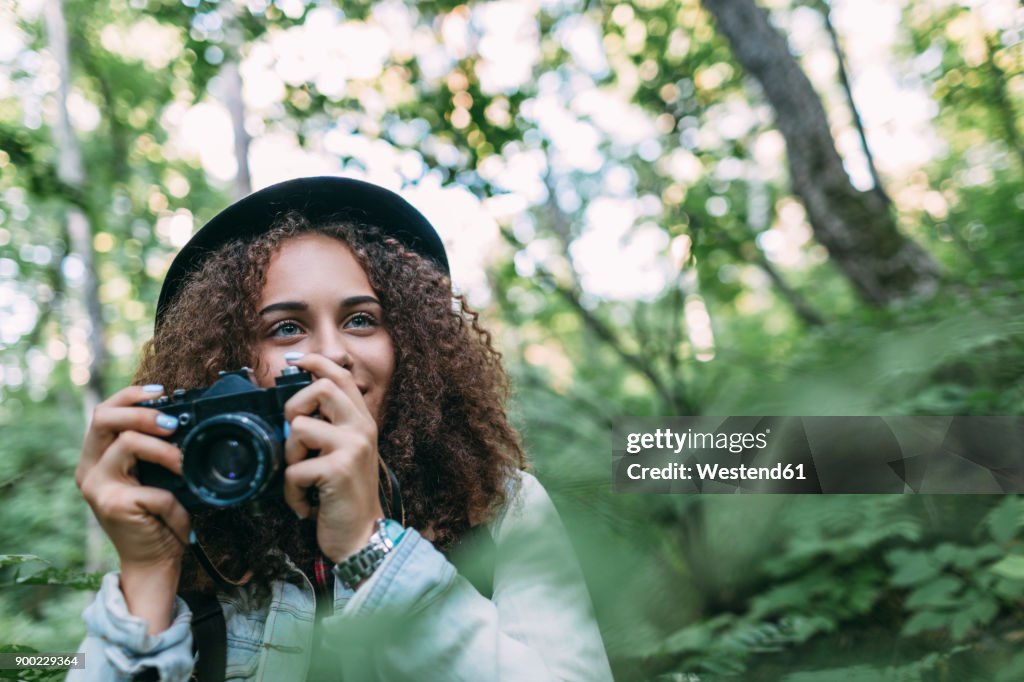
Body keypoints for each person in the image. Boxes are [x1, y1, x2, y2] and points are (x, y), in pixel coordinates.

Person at [69, 177, 612, 681]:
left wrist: (370, 547)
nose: (331, 353)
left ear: (409, 346)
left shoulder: (498, 506)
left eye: (361, 320)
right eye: (286, 328)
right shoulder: (196, 524)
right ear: (230, 365)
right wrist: (149, 573)